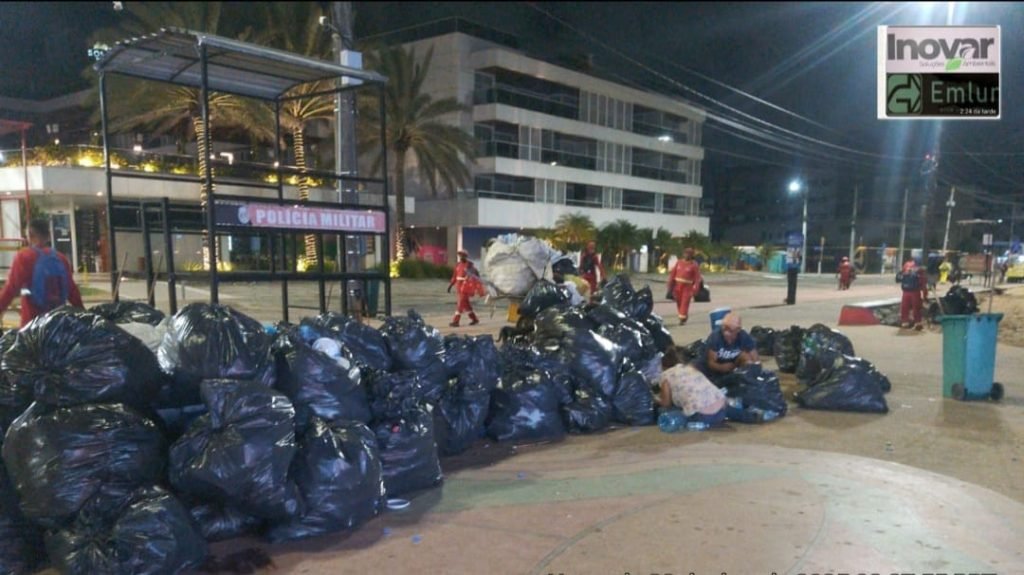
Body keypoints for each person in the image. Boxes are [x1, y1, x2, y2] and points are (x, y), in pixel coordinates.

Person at [0, 219, 84, 327]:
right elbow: (72, 291)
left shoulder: (24, 257)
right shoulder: (61, 258)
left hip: (31, 326)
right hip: (57, 326)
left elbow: (10, 290)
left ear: (30, 234)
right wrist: (83, 314)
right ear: (48, 235)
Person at [658, 347, 767, 426]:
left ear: (664, 366)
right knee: (729, 410)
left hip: (703, 416)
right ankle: (751, 416)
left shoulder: (666, 376)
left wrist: (657, 399)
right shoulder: (690, 368)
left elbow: (666, 403)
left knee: (674, 410)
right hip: (720, 405)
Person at [695, 312, 759, 383]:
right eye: (724, 328)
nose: (726, 333)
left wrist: (754, 369)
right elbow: (711, 363)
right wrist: (722, 367)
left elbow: (755, 358)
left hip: (731, 365)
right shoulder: (715, 337)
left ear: (738, 330)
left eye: (730, 330)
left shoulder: (743, 336)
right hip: (711, 370)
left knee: (747, 357)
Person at [667, 247, 702, 325]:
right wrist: (670, 284)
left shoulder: (694, 265)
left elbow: (697, 278)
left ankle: (682, 319)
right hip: (677, 286)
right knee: (679, 302)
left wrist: (696, 288)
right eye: (685, 253)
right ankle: (683, 315)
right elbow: (673, 274)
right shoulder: (679, 262)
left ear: (691, 255)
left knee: (684, 302)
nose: (686, 255)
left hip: (687, 287)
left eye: (688, 254)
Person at [447, 250, 481, 327]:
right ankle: (474, 319)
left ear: (466, 256)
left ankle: (456, 321)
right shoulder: (458, 265)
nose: (461, 257)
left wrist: (476, 286)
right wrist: (450, 286)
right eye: (460, 256)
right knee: (466, 305)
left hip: (466, 287)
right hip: (459, 287)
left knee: (460, 304)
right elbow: (454, 276)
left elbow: (476, 275)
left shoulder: (469, 265)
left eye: (462, 256)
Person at [898, 259, 928, 330]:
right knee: (916, 307)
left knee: (905, 307)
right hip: (915, 291)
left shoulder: (906, 265)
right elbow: (923, 283)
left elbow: (901, 276)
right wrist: (925, 295)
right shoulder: (920, 269)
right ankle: (918, 322)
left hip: (906, 291)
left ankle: (905, 322)